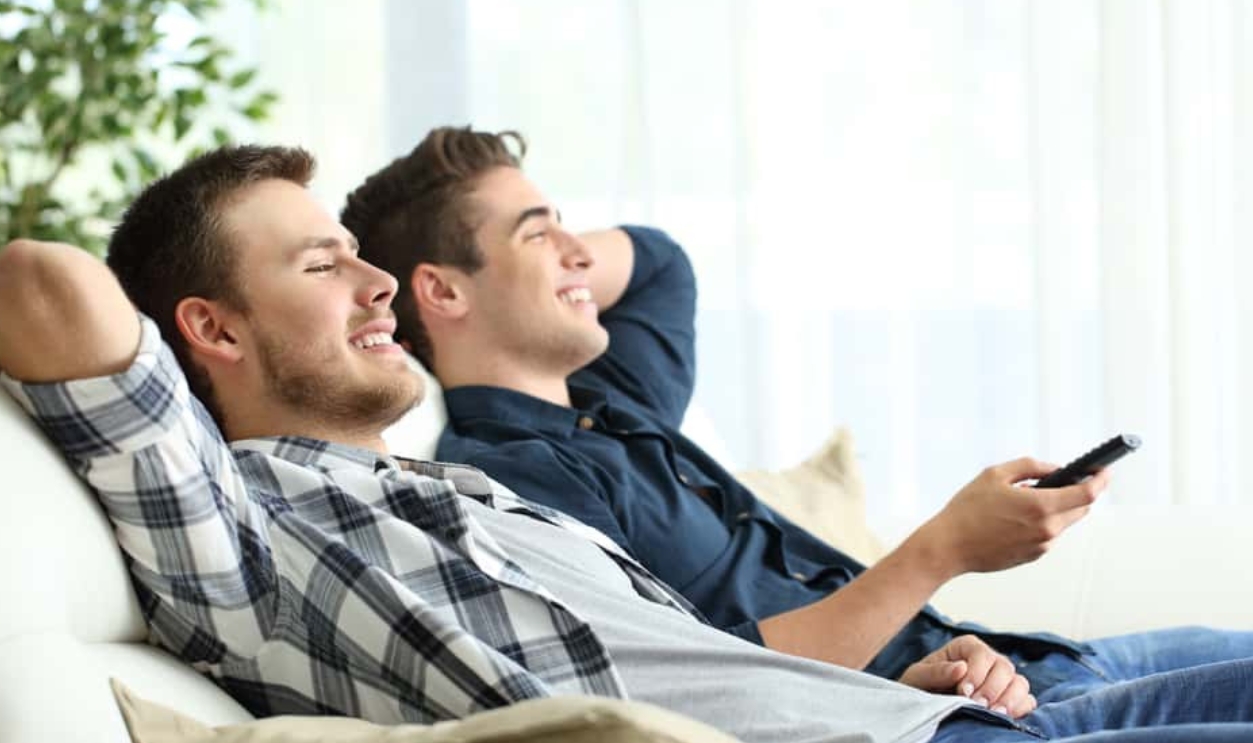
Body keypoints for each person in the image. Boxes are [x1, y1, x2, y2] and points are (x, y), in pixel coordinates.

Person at [6, 146, 1253, 743]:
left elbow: (697, 667)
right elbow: (45, 283)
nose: (378, 284)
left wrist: (871, 683)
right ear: (209, 327)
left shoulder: (451, 497)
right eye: (327, 263)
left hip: (920, 716)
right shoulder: (234, 525)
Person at [340, 126, 1253, 710]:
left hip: (1028, 663)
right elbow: (707, 677)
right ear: (440, 290)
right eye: (538, 233)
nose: (582, 247)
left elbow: (659, 264)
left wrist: (551, 267)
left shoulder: (609, 399)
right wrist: (941, 548)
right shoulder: (513, 482)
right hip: (954, 708)